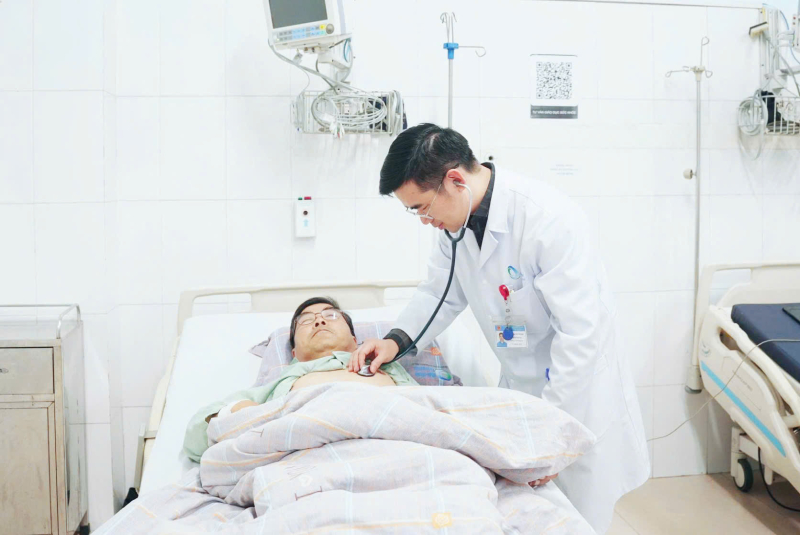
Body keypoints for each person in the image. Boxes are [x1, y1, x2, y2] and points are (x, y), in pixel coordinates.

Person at [348, 123, 649, 533]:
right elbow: (440, 291)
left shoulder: (548, 219)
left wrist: (551, 436)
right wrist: (394, 341)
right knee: (530, 513)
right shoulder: (455, 228)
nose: (423, 220)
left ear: (455, 180)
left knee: (579, 517)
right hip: (521, 388)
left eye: (421, 207)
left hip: (578, 398)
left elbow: (581, 337)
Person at [182, 297, 417, 462]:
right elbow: (195, 438)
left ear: (355, 340)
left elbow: (429, 409)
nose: (319, 321)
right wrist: (239, 412)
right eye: (305, 320)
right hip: (310, 462)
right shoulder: (280, 384)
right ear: (294, 353)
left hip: (394, 450)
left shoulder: (387, 367)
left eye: (331, 315)